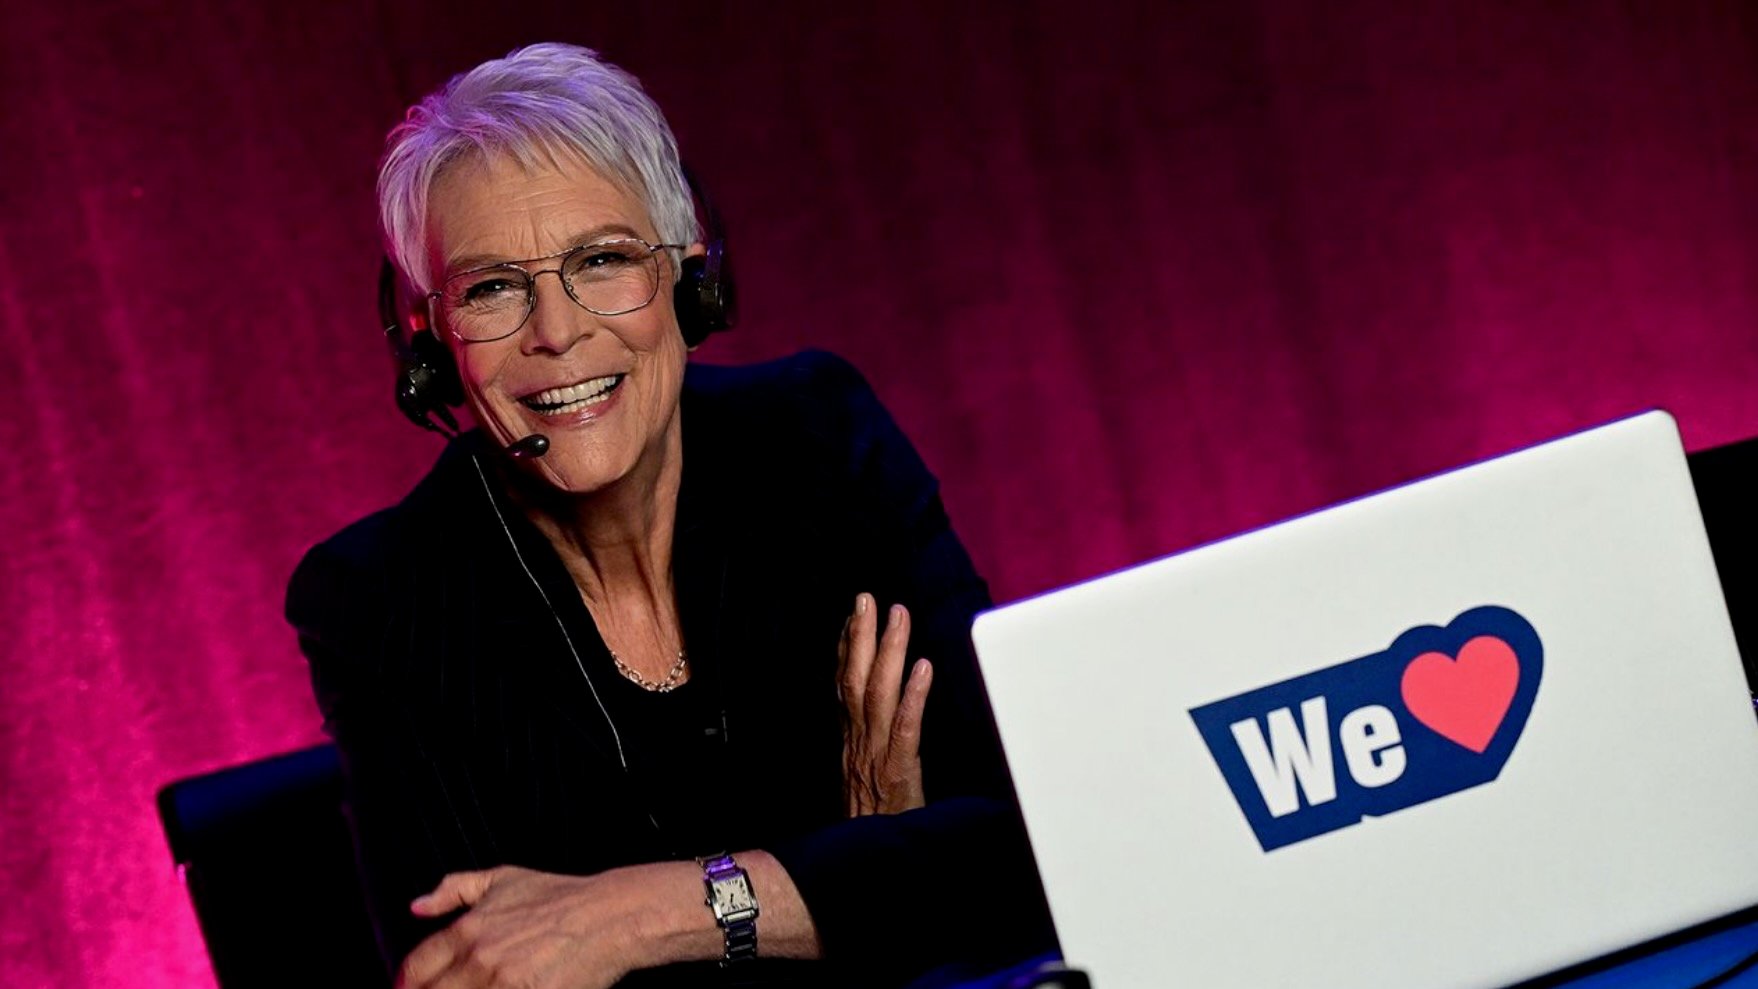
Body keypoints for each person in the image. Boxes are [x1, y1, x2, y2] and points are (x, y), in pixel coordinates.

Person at [286, 43, 1054, 989]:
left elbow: (1039, 851)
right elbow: (474, 976)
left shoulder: (820, 443)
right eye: (491, 287)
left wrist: (631, 918)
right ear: (429, 338)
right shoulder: (382, 602)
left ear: (693, 275)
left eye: (602, 260)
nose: (556, 332)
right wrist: (860, 879)